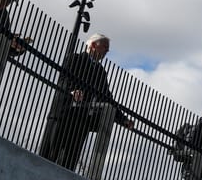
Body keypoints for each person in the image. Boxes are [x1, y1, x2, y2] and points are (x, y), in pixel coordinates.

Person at [39, 34, 132, 169]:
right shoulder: (74, 58)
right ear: (93, 45)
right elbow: (63, 79)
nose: (107, 51)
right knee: (47, 158)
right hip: (63, 115)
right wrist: (72, 91)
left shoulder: (100, 71)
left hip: (81, 122)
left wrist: (122, 119)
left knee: (68, 165)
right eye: (105, 47)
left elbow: (107, 97)